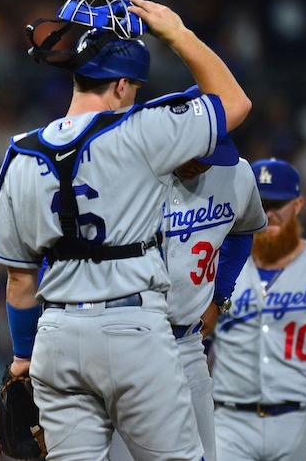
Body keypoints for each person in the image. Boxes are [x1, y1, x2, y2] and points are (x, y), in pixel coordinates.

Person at [0, 0, 252, 458]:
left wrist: (24, 358)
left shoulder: (20, 154)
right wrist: (177, 33)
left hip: (57, 339)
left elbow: (18, 280)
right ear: (123, 83)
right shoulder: (142, 133)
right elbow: (233, 102)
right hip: (134, 330)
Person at [109, 127, 267, 461]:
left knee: (204, 455)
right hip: (126, 344)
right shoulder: (131, 173)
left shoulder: (237, 174)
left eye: (209, 158)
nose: (200, 165)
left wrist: (219, 298)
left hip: (187, 341)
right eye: (195, 154)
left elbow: (243, 232)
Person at [209, 158, 306, 461]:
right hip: (229, 423)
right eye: (260, 203)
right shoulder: (216, 268)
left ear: (298, 205)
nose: (269, 214)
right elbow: (197, 346)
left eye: (279, 203)